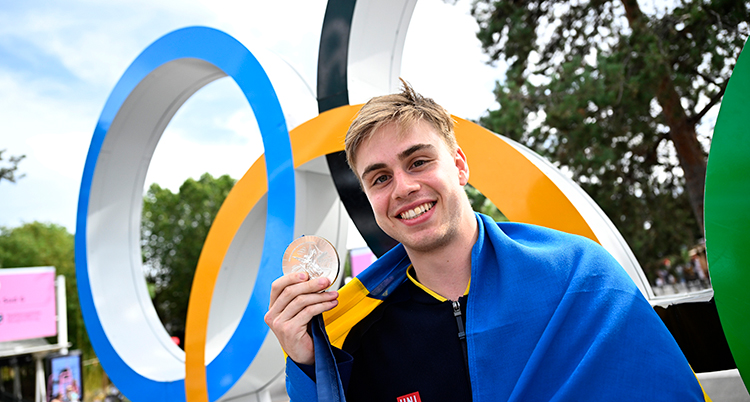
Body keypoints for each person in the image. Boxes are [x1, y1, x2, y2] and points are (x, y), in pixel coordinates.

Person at [265, 81, 708, 401]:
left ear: (459, 166)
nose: (402, 188)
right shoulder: (349, 331)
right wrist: (311, 364)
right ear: (368, 198)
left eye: (418, 162)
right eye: (380, 178)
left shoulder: (579, 274)